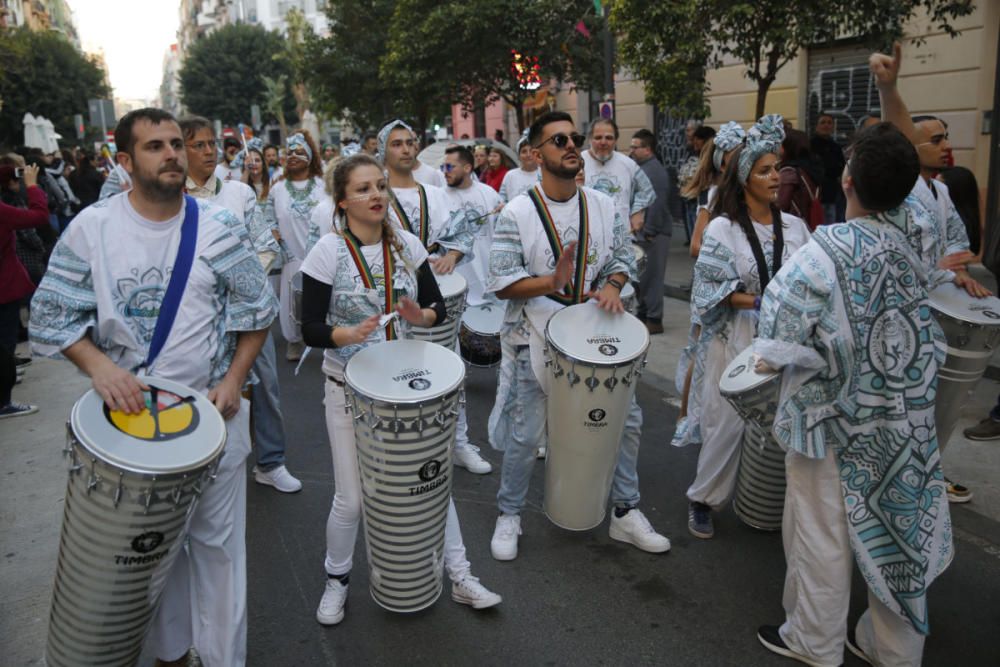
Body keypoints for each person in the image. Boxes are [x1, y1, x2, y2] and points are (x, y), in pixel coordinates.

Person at [29, 107, 277, 667]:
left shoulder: (218, 226)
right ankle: (170, 654)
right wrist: (99, 367)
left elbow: (257, 309)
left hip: (215, 418)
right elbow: (50, 318)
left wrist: (235, 380)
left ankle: (223, 660)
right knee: (149, 550)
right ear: (124, 161)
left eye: (175, 144)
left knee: (218, 551)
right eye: (155, 146)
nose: (171, 154)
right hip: (131, 427)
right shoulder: (92, 228)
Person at [753, 121, 952, 667]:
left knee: (822, 535)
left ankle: (814, 641)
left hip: (830, 425)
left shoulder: (824, 252)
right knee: (901, 535)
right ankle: (894, 649)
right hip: (905, 421)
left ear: (846, 179)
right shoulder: (920, 233)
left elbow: (774, 336)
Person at [299, 153, 502, 627]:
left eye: (380, 187)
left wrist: (421, 317)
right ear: (343, 200)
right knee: (352, 498)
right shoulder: (327, 251)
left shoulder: (407, 244)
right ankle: (337, 580)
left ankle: (461, 576)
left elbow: (434, 305)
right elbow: (307, 326)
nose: (375, 196)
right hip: (346, 388)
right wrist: (344, 335)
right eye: (364, 189)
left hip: (406, 389)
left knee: (431, 485)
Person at [486, 110, 670, 561]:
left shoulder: (604, 206)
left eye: (575, 137)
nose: (572, 145)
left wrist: (612, 285)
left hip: (594, 334)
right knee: (527, 432)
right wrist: (551, 281)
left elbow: (625, 256)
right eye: (558, 139)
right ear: (535, 153)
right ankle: (509, 513)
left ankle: (625, 511)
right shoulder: (517, 211)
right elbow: (503, 281)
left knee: (625, 424)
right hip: (537, 333)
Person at [872, 42, 991, 502]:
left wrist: (958, 272)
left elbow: (957, 245)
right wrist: (889, 88)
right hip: (899, 317)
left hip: (934, 313)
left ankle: (926, 473)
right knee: (904, 409)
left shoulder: (940, 193)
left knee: (936, 408)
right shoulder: (901, 191)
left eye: (946, 137)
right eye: (935, 139)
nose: (946, 146)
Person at [685, 115, 811, 539]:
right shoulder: (724, 229)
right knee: (726, 423)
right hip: (735, 336)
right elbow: (708, 290)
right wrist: (762, 300)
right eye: (764, 170)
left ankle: (769, 500)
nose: (776, 177)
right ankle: (703, 498)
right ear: (744, 180)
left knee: (782, 424)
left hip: (784, 339)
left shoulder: (795, 228)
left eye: (777, 168)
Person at [180, 116, 301, 495]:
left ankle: (270, 461)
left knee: (265, 383)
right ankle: (197, 461)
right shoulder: (168, 197)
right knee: (194, 383)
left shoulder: (239, 194)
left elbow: (266, 245)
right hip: (193, 314)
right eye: (196, 145)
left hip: (246, 311)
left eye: (209, 143)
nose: (207, 151)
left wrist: (240, 284)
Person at [377, 120, 489, 475]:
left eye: (410, 142)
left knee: (448, 366)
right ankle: (406, 447)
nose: (407, 149)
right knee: (396, 371)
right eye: (397, 144)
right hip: (390, 299)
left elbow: (461, 232)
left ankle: (458, 443)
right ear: (384, 150)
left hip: (432, 296)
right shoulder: (376, 195)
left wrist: (452, 256)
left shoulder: (435, 194)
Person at [670, 121, 746, 450]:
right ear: (724, 161)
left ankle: (721, 413)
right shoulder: (716, 194)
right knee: (700, 346)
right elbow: (696, 246)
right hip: (712, 284)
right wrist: (732, 255)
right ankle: (685, 417)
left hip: (736, 282)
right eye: (739, 154)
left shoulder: (745, 193)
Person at [262, 130, 327, 361]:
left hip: (321, 255)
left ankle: (331, 339)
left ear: (310, 156)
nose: (293, 156)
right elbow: (268, 219)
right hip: (290, 256)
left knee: (323, 300)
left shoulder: (322, 185)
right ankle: (294, 342)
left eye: (299, 151)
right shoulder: (277, 188)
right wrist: (279, 242)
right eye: (289, 152)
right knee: (290, 301)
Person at [0, 163, 47, 419]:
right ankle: (3, 402)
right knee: (4, 346)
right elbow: (38, 216)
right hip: (3, 287)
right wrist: (32, 186)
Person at [441, 145, 504, 307]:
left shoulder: (488, 192)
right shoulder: (438, 198)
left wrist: (506, 212)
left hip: (490, 279)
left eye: (450, 167)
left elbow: (503, 231)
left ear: (467, 168)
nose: (445, 171)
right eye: (443, 167)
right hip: (458, 285)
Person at [628, 129, 672, 334]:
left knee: (652, 277)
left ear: (647, 149)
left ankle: (654, 319)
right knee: (642, 277)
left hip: (654, 232)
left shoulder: (654, 170)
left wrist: (650, 230)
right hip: (643, 231)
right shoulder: (642, 168)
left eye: (635, 147)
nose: (631, 151)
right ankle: (644, 313)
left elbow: (657, 202)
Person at [582, 118, 655, 239]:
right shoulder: (576, 163)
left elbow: (647, 190)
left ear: (616, 141)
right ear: (590, 139)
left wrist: (637, 211)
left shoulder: (629, 165)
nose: (603, 142)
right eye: (598, 137)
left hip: (621, 240)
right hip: (587, 241)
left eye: (609, 138)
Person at [678, 125, 717, 245]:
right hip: (692, 197)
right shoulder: (693, 152)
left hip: (699, 197)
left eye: (697, 139)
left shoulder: (710, 158)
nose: (694, 141)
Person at [777, 128, 823, 230]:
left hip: (791, 227)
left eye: (780, 144)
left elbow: (780, 204)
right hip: (807, 223)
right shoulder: (811, 168)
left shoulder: (789, 171)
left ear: (788, 147)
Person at [809, 112, 845, 224]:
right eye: (823, 122)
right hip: (816, 194)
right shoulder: (810, 145)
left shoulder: (836, 147)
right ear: (816, 126)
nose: (826, 125)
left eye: (829, 123)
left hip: (833, 194)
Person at [498, 131, 541, 203]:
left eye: (531, 151)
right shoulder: (510, 175)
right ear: (519, 156)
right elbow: (502, 200)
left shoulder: (545, 173)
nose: (528, 155)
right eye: (524, 151)